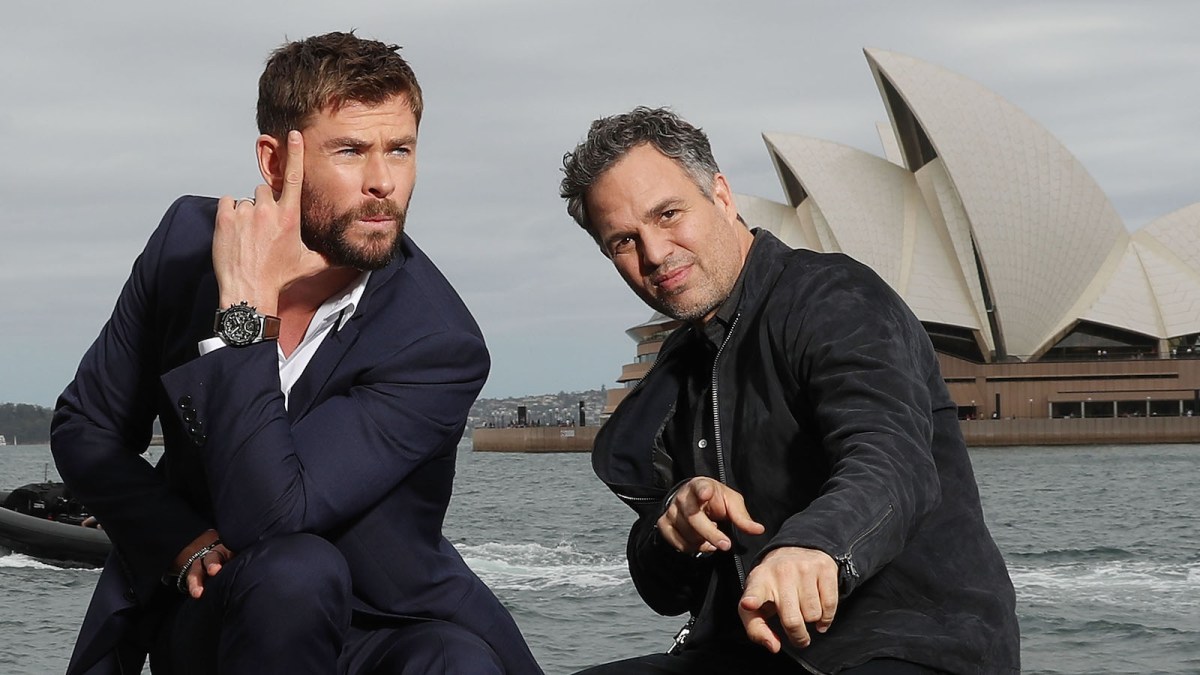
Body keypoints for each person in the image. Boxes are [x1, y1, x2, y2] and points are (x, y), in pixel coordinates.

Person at [51, 31, 541, 675]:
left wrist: (245, 315)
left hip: (382, 622)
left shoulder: (436, 342)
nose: (383, 183)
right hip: (227, 604)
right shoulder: (184, 245)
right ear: (275, 160)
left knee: (460, 663)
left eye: (400, 150)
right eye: (350, 150)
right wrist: (175, 540)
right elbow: (85, 428)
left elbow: (273, 511)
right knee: (296, 573)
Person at [559, 107, 1020, 674]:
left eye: (669, 214)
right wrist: (670, 531)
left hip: (910, 643)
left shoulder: (836, 298)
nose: (654, 254)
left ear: (722, 195)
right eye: (624, 241)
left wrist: (815, 545)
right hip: (745, 653)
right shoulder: (677, 373)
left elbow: (891, 457)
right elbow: (663, 593)